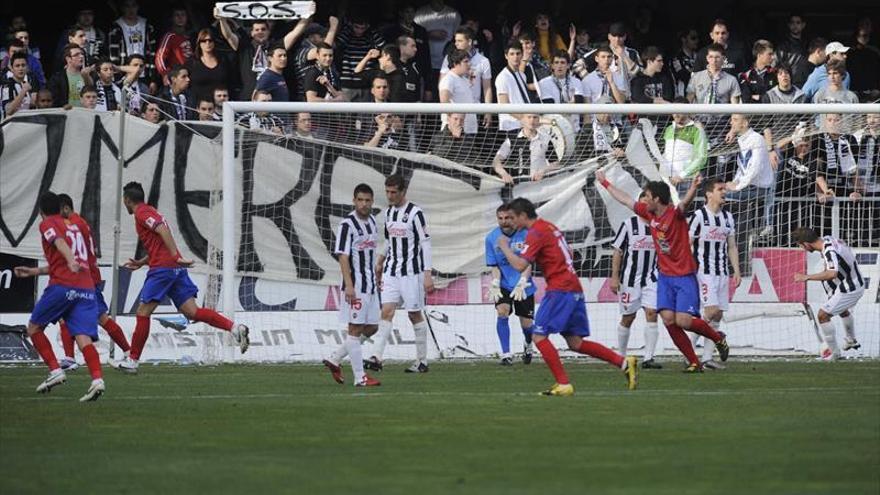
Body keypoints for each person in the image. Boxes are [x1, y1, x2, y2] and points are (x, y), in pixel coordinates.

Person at [495, 197, 638, 395]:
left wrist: (504, 247)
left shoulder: (536, 232)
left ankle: (563, 383)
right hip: (572, 287)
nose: (509, 222)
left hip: (560, 289)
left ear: (522, 215)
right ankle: (623, 362)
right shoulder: (549, 227)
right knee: (575, 343)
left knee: (538, 336)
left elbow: (520, 265)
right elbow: (567, 254)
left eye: (512, 218)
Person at [597, 171, 730, 372]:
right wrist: (605, 182)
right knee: (668, 319)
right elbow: (625, 199)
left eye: (648, 196)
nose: (644, 200)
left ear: (657, 199)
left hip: (684, 276)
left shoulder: (674, 215)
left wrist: (693, 187)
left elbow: (685, 203)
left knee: (683, 321)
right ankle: (694, 361)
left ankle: (717, 337)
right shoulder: (648, 213)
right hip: (665, 277)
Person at [117, 181, 249, 373]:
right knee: (192, 312)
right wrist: (142, 262)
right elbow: (158, 242)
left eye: (124, 200)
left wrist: (175, 256)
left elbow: (162, 229)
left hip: (163, 269)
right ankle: (235, 328)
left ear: (127, 200)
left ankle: (132, 361)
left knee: (142, 312)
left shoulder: (141, 213)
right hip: (172, 269)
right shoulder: (150, 210)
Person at [12, 192, 105, 402]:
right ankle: (97, 379)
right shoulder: (73, 225)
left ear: (41, 211)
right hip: (86, 288)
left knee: (34, 328)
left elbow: (59, 243)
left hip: (64, 286)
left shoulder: (48, 224)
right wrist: (33, 271)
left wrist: (71, 261)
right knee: (83, 337)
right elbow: (62, 260)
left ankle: (55, 370)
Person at [364, 174, 434, 373]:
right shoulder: (388, 213)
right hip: (391, 271)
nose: (390, 195)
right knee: (386, 311)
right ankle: (376, 356)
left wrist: (427, 273)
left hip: (412, 272)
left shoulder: (415, 213)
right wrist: (380, 260)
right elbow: (388, 240)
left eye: (394, 192)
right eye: (387, 191)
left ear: (403, 191)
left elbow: (425, 243)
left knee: (414, 314)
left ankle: (422, 361)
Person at [55, 194, 131, 370]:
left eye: (59, 211)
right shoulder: (80, 223)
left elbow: (76, 252)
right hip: (86, 276)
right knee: (65, 316)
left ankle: (129, 353)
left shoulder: (74, 224)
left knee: (101, 318)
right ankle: (69, 358)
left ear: (66, 208)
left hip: (84, 278)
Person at [321, 184, 382, 387]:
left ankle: (335, 358)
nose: (364, 204)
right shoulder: (347, 225)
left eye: (367, 200)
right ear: (354, 201)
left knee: (372, 327)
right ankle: (360, 377)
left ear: (372, 201)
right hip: (356, 286)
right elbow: (343, 256)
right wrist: (349, 285)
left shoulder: (372, 221)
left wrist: (377, 275)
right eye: (360, 200)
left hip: (371, 285)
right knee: (354, 329)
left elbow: (370, 253)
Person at [688, 179, 742, 369]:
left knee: (716, 316)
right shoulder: (698, 216)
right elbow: (688, 244)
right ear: (709, 194)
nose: (724, 192)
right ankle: (689, 352)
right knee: (711, 311)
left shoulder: (728, 217)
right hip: (704, 272)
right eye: (720, 189)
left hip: (722, 273)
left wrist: (736, 270)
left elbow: (732, 246)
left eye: (724, 189)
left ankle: (706, 358)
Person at [792, 227, 865, 359]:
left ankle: (834, 353)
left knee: (822, 315)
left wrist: (806, 277)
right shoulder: (828, 239)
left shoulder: (828, 251)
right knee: (842, 310)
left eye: (802, 246)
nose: (803, 249)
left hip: (850, 288)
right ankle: (851, 339)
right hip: (850, 283)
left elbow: (832, 273)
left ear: (807, 244)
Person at [216, 3, 315, 101]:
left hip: (274, 99)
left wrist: (307, 15)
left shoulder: (276, 46)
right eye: (257, 30)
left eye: (263, 29)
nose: (260, 32)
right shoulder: (245, 47)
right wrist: (222, 19)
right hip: (248, 100)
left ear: (268, 31)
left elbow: (295, 33)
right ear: (252, 33)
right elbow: (228, 36)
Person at [610, 192, 662, 369]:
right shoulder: (628, 224)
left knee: (652, 313)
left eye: (648, 201)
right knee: (628, 317)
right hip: (629, 280)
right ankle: (621, 356)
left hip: (652, 278)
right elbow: (617, 251)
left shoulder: (658, 225)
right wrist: (614, 277)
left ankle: (648, 358)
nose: (645, 204)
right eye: (642, 201)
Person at [485, 204, 536, 365]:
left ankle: (528, 344)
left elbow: (528, 263)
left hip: (523, 283)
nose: (504, 221)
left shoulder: (526, 235)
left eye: (507, 218)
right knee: (502, 312)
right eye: (500, 218)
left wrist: (522, 282)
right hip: (503, 283)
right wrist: (495, 283)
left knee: (527, 325)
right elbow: (494, 265)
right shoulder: (491, 238)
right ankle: (506, 354)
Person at [725, 114, 775, 236]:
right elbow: (742, 167)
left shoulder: (757, 139)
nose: (731, 123)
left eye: (735, 120)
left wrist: (737, 186)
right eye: (731, 120)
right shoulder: (742, 140)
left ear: (745, 123)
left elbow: (754, 168)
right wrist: (735, 181)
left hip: (760, 188)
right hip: (749, 186)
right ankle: (738, 232)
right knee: (718, 190)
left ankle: (733, 231)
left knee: (722, 195)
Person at [440, 27, 493, 127]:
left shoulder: (483, 61)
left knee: (471, 141)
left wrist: (488, 111)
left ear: (469, 42)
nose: (456, 44)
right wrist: (448, 113)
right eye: (455, 41)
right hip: (453, 113)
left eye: (460, 41)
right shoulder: (449, 58)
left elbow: (487, 88)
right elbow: (442, 85)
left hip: (473, 110)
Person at [108, 0, 158, 94]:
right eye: (127, 6)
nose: (131, 9)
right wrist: (117, 76)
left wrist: (153, 79)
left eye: (133, 5)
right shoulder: (116, 26)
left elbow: (152, 53)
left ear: (138, 7)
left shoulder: (147, 25)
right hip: (125, 74)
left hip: (144, 74)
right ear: (122, 8)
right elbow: (113, 55)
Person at [660, 102, 708, 197]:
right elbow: (665, 154)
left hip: (687, 180)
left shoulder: (697, 129)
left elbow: (701, 157)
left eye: (679, 111)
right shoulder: (669, 129)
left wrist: (682, 175)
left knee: (684, 209)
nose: (676, 114)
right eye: (674, 111)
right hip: (668, 180)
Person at [413, 0, 461, 95]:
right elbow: (414, 34)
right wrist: (429, 34)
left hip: (448, 63)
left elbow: (458, 37)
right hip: (426, 63)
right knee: (428, 94)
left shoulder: (454, 14)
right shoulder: (420, 14)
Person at [493, 114, 558, 183]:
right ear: (522, 120)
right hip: (516, 185)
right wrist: (504, 174)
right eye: (529, 117)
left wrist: (543, 171)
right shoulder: (512, 139)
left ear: (539, 120)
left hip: (539, 184)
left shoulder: (546, 139)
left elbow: (555, 163)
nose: (532, 120)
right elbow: (496, 160)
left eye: (535, 117)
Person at [335, 14, 386, 102]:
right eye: (356, 27)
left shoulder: (370, 36)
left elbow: (384, 47)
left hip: (365, 84)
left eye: (362, 28)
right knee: (346, 114)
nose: (359, 31)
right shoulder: (347, 35)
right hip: (348, 83)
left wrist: (371, 32)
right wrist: (348, 29)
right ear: (351, 25)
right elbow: (336, 44)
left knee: (365, 114)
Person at [538, 50, 584, 131]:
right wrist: (571, 103)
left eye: (562, 63)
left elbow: (579, 101)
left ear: (568, 65)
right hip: (553, 128)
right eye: (556, 62)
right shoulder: (544, 83)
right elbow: (550, 106)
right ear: (552, 65)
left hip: (574, 128)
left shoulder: (576, 81)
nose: (559, 66)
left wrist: (573, 102)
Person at [495, 41, 532, 136]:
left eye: (518, 54)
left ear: (522, 55)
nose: (515, 57)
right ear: (506, 56)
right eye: (512, 54)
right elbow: (504, 105)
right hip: (512, 126)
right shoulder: (502, 77)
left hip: (525, 124)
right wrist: (524, 119)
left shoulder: (522, 75)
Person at [438, 49, 477, 134]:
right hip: (455, 130)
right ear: (456, 64)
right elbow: (444, 101)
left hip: (468, 129)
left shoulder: (463, 79)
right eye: (465, 62)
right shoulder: (449, 79)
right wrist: (454, 124)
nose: (469, 64)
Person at [187, 30, 232, 104]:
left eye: (210, 40)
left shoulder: (224, 60)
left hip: (221, 104)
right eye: (203, 41)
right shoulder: (192, 62)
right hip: (198, 105)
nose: (207, 43)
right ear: (199, 43)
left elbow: (231, 82)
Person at [155, 5, 193, 85]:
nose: (180, 18)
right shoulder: (169, 36)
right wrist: (165, 74)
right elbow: (160, 57)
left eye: (183, 15)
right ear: (172, 18)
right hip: (177, 77)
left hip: (191, 76)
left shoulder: (191, 37)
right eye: (177, 15)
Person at [47, 44, 93, 109]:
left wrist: (86, 77)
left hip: (86, 114)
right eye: (76, 55)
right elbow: (53, 100)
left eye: (82, 54)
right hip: (67, 115)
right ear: (68, 59)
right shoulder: (57, 78)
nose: (81, 56)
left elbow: (93, 93)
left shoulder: (88, 74)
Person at [1, 52, 33, 118]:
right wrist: (23, 91)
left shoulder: (28, 83)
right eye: (17, 66)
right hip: (10, 126)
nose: (21, 68)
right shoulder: (7, 86)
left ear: (27, 68)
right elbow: (8, 110)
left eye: (23, 65)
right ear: (12, 69)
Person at [671, 28, 699, 97]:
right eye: (693, 38)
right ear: (683, 39)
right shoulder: (677, 58)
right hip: (683, 96)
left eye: (697, 38)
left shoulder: (699, 56)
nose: (697, 41)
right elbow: (683, 75)